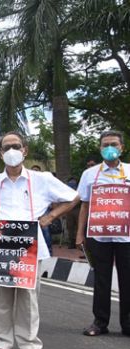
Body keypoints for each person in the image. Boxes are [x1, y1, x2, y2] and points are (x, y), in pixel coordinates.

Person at [0, 131, 79, 349]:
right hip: (2, 246)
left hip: (30, 246)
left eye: (15, 146)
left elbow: (73, 197)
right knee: (1, 298)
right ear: (0, 153)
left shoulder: (43, 179)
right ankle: (1, 344)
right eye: (6, 147)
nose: (11, 151)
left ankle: (29, 345)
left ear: (24, 150)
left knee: (28, 298)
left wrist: (50, 216)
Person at [76, 130, 130, 337]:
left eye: (114, 144)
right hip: (99, 235)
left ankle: (128, 323)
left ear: (122, 148)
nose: (110, 148)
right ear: (100, 149)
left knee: (128, 279)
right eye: (105, 144)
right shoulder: (89, 175)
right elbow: (84, 205)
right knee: (101, 279)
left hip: (126, 236)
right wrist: (79, 234)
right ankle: (100, 322)